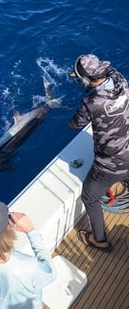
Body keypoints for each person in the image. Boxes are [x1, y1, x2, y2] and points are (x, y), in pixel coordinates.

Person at [70, 53, 129, 252]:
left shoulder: (92, 103)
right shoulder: (120, 79)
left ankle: (100, 240)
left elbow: (75, 124)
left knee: (89, 197)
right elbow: (108, 72)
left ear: (86, 80)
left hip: (111, 165)